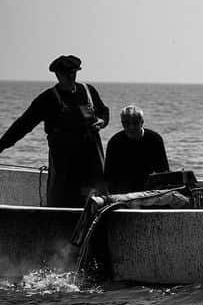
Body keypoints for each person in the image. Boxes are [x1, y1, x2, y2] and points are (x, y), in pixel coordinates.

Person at [0, 55, 110, 206]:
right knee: (63, 199)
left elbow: (104, 111)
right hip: (64, 159)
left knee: (97, 199)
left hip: (91, 157)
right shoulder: (48, 99)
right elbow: (23, 125)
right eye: (66, 74)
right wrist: (1, 146)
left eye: (74, 73)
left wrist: (102, 121)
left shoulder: (88, 90)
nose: (71, 77)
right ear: (57, 75)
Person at [104, 105, 170, 193]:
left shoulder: (155, 139)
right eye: (127, 123)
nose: (131, 127)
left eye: (135, 123)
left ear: (142, 122)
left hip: (149, 187)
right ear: (122, 123)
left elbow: (163, 170)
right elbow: (109, 175)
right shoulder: (114, 142)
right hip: (123, 189)